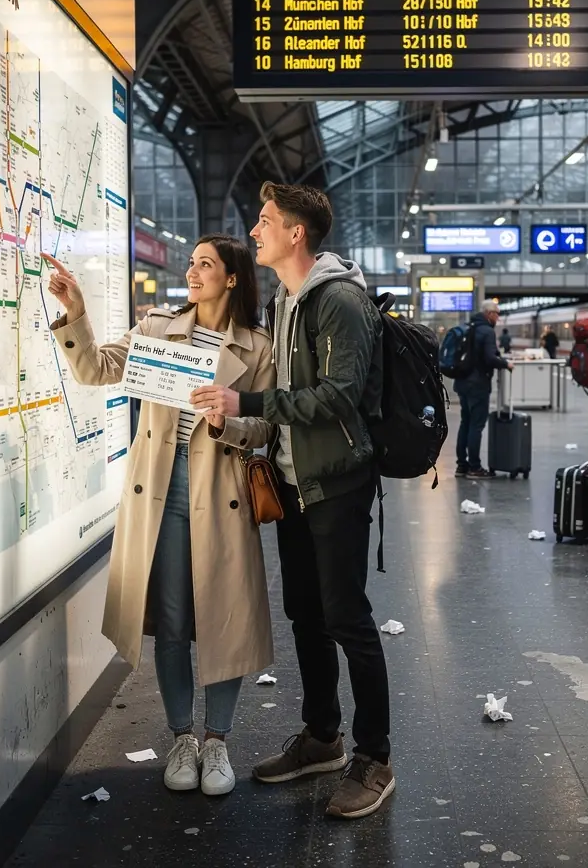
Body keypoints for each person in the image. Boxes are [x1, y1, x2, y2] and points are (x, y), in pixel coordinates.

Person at [190, 181, 393, 820]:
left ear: (295, 232)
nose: (255, 230)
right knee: (306, 612)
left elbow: (338, 395)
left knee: (348, 618)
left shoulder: (339, 301)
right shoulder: (286, 300)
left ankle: (375, 758)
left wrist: (246, 401)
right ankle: (323, 736)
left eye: (265, 220)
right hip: (292, 482)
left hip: (336, 482)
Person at [43, 236, 275, 797]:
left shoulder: (258, 346)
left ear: (232, 278)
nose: (192, 272)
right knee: (171, 621)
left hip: (222, 493)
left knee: (225, 619)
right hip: (162, 491)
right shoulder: (156, 329)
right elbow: (96, 369)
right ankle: (181, 739)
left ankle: (217, 741)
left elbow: (267, 426)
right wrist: (76, 312)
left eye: (205, 265)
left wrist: (226, 421)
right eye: (191, 263)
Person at [455, 300, 512, 478]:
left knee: (465, 423)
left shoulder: (468, 327)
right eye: (497, 314)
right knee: (476, 425)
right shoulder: (487, 331)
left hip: (462, 382)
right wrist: (506, 364)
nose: (498, 318)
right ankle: (474, 467)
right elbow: (489, 358)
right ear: (489, 314)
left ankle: (461, 466)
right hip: (478, 385)